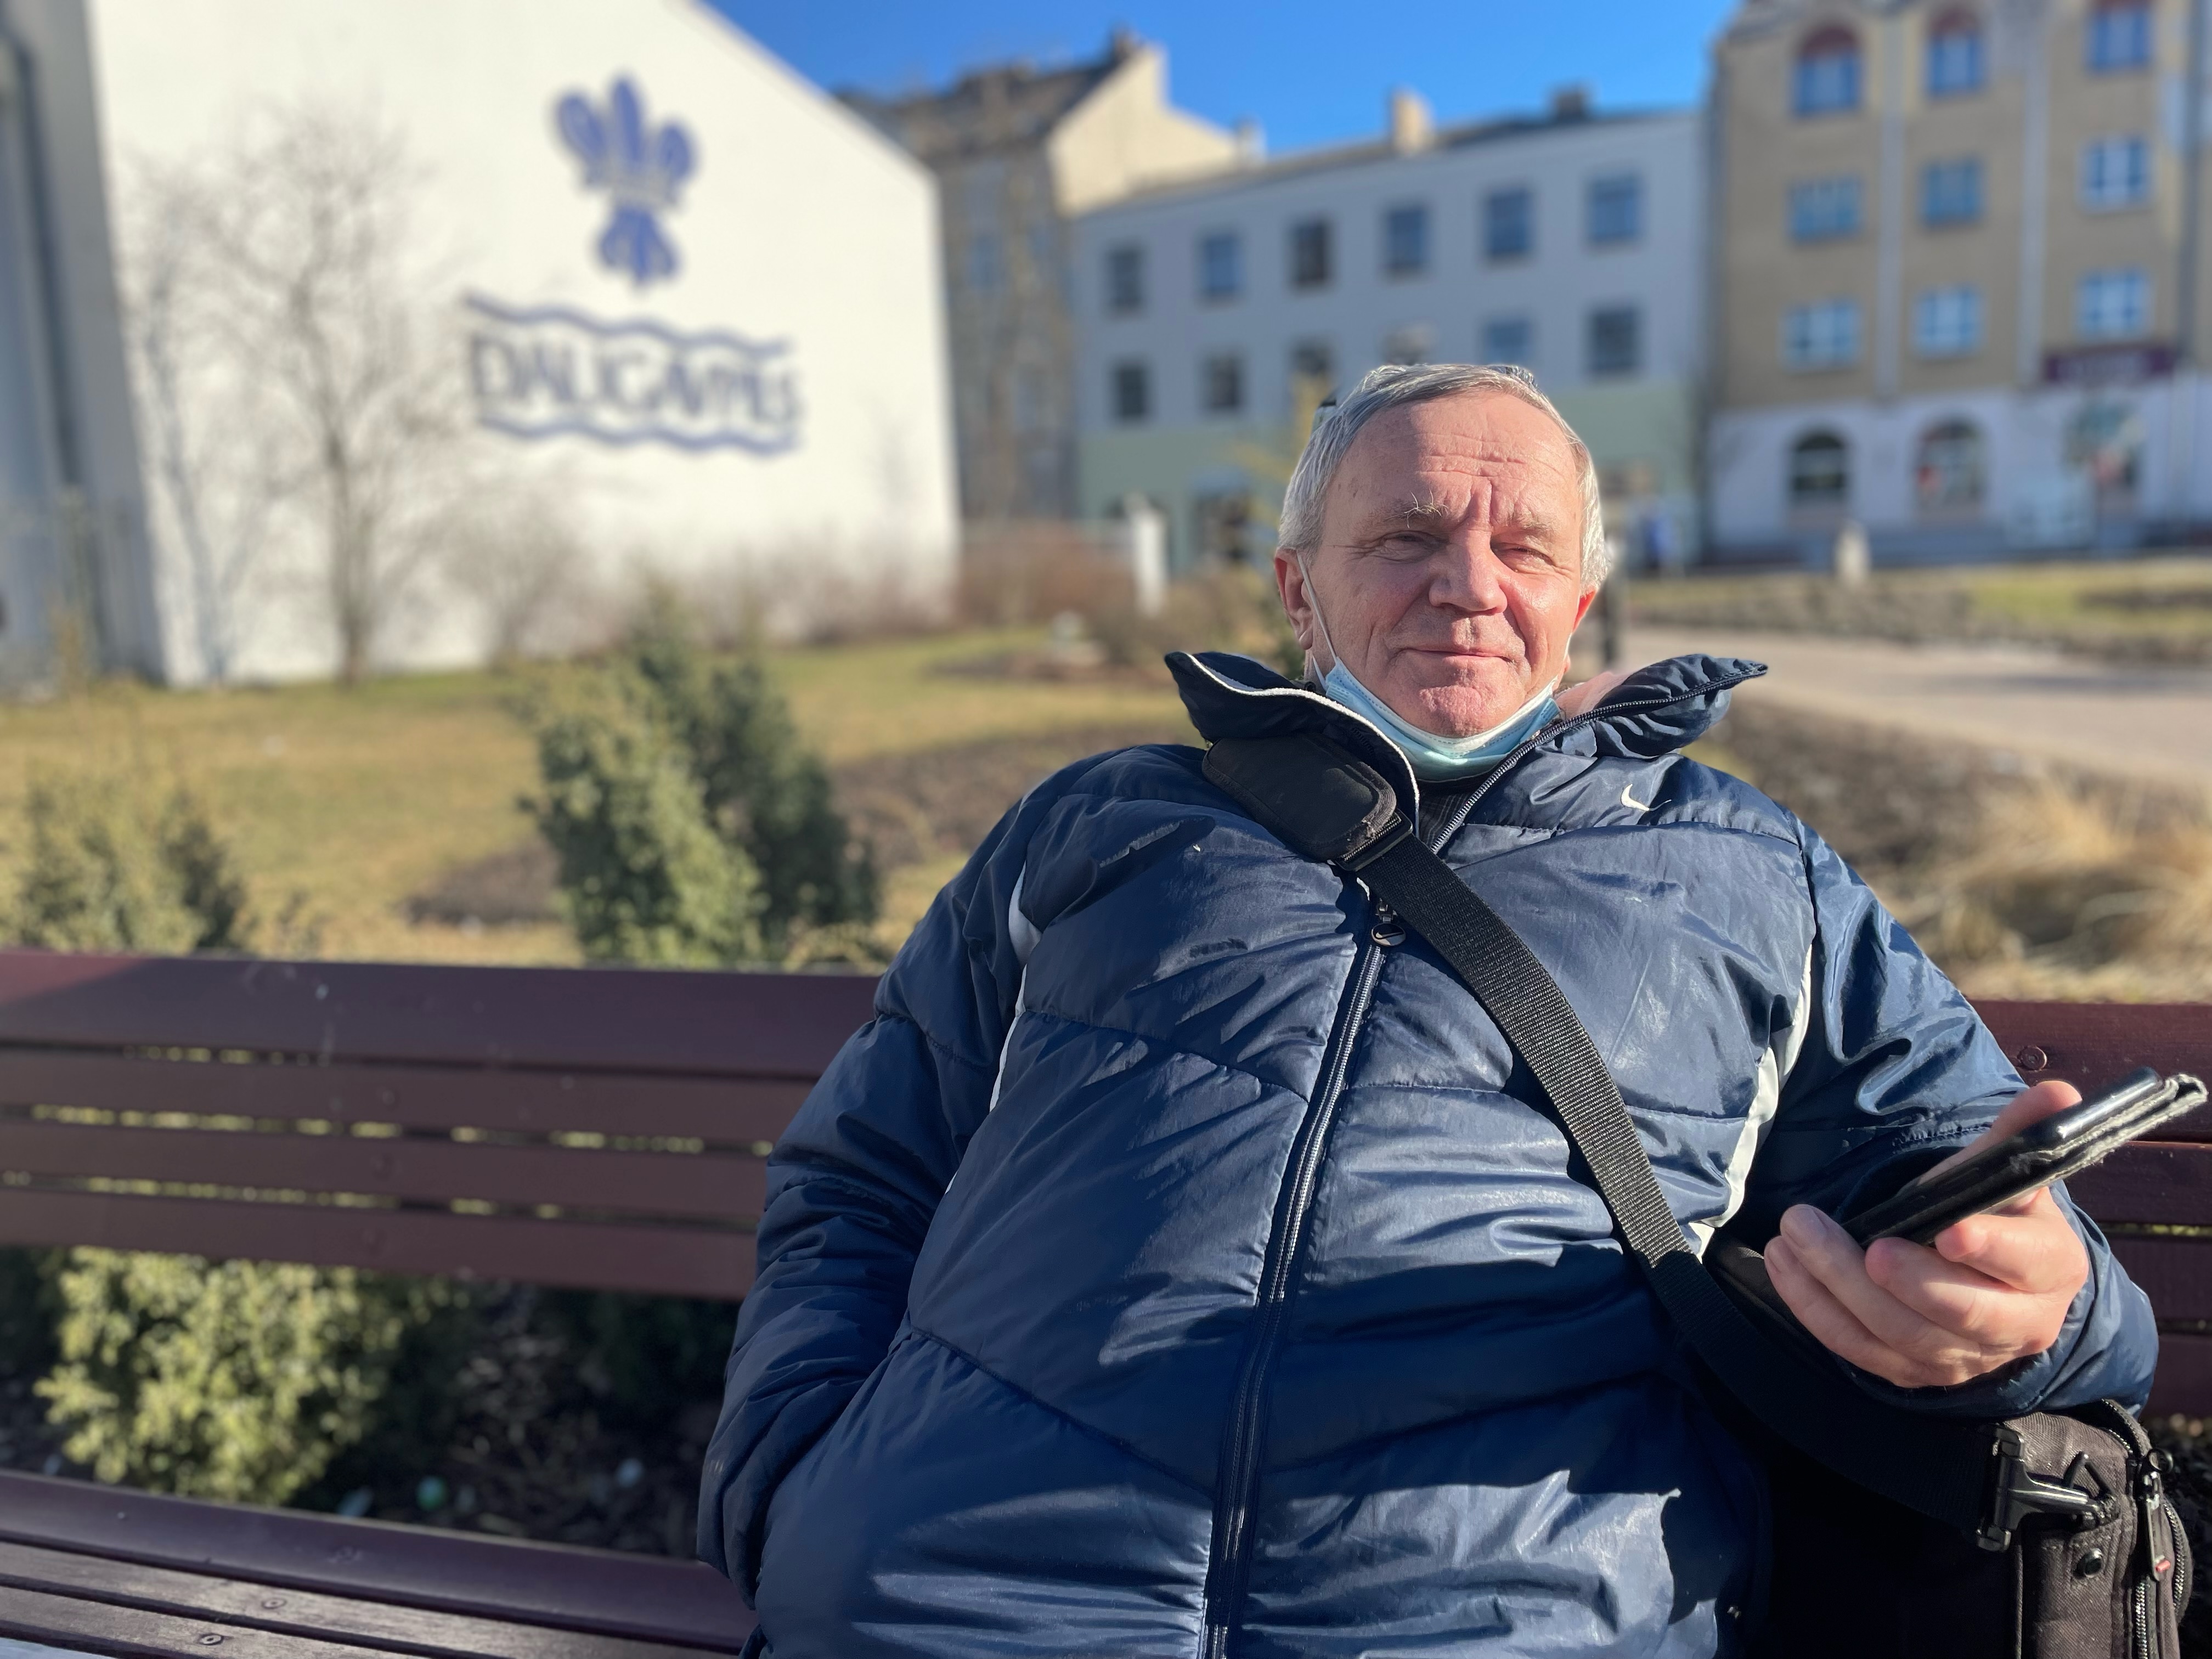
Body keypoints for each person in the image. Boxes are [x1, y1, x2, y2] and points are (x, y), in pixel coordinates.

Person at [698, 363, 2154, 1658]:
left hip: (1498, 1615)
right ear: (1297, 590)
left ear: (1579, 602)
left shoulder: (1752, 871)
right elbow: (861, 1177)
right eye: (1405, 537)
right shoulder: (1099, 824)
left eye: (1525, 548)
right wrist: (791, 1481)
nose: (1467, 584)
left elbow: (2033, 1250)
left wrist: (2035, 1308)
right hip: (953, 1599)